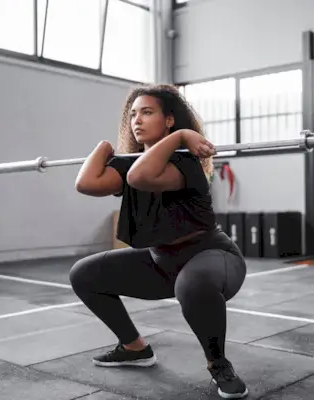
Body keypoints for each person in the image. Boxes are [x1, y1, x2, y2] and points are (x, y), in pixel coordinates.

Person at [69, 84, 249, 399]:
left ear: (168, 120)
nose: (136, 120)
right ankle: (134, 348)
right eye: (133, 114)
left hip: (212, 258)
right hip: (162, 263)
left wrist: (180, 139)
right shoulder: (129, 163)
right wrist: (103, 146)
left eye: (147, 112)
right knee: (83, 274)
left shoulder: (184, 162)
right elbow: (86, 183)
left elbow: (141, 177)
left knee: (191, 286)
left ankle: (218, 363)